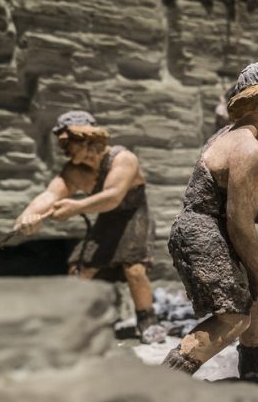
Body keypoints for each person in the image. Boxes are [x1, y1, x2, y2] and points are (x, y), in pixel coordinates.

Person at [163, 61, 258, 381]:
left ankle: (255, 365)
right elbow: (239, 223)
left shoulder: (231, 134)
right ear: (255, 98)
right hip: (204, 233)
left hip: (206, 225)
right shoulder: (250, 150)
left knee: (255, 293)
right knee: (235, 317)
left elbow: (243, 209)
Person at [14, 110, 160, 344]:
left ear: (85, 138)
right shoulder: (74, 171)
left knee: (134, 270)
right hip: (107, 220)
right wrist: (28, 215)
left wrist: (76, 207)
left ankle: (147, 320)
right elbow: (51, 194)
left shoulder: (123, 159)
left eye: (66, 143)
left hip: (133, 217)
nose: (64, 150)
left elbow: (113, 196)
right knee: (80, 270)